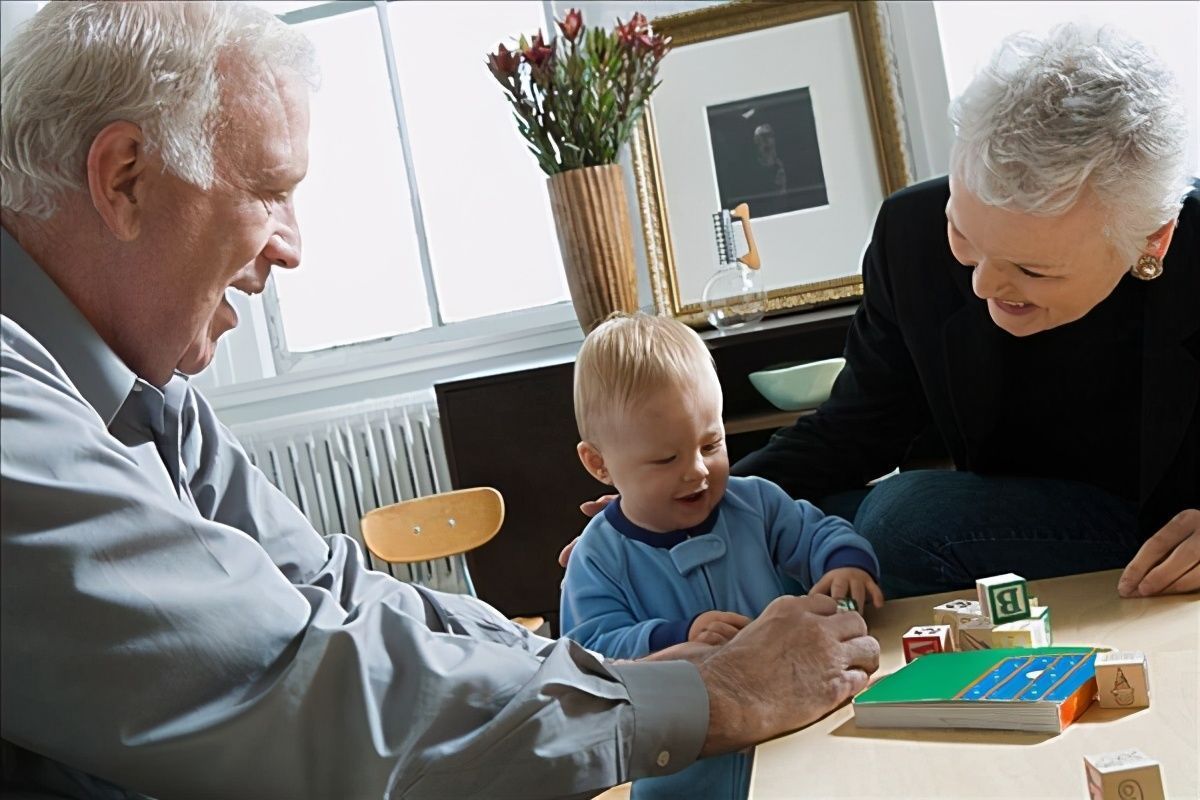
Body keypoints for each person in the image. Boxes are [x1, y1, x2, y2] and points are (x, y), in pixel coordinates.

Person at [0, 3, 880, 798]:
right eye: (270, 192)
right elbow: (302, 688)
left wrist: (603, 675)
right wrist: (710, 694)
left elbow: (337, 595)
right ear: (122, 178)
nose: (292, 247)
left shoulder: (149, 395)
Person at [562, 24, 1199, 601]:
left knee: (901, 517)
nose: (982, 284)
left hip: (1161, 533)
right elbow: (857, 429)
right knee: (802, 521)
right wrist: (688, 504)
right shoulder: (911, 233)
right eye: (965, 236)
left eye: (1032, 270)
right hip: (1003, 516)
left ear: (1152, 240)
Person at [559, 313, 882, 799]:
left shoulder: (755, 503)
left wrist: (844, 562)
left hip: (797, 743)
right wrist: (676, 636)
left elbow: (816, 531)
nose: (696, 472)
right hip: (685, 773)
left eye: (711, 444)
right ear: (599, 463)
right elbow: (591, 658)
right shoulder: (598, 556)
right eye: (666, 459)